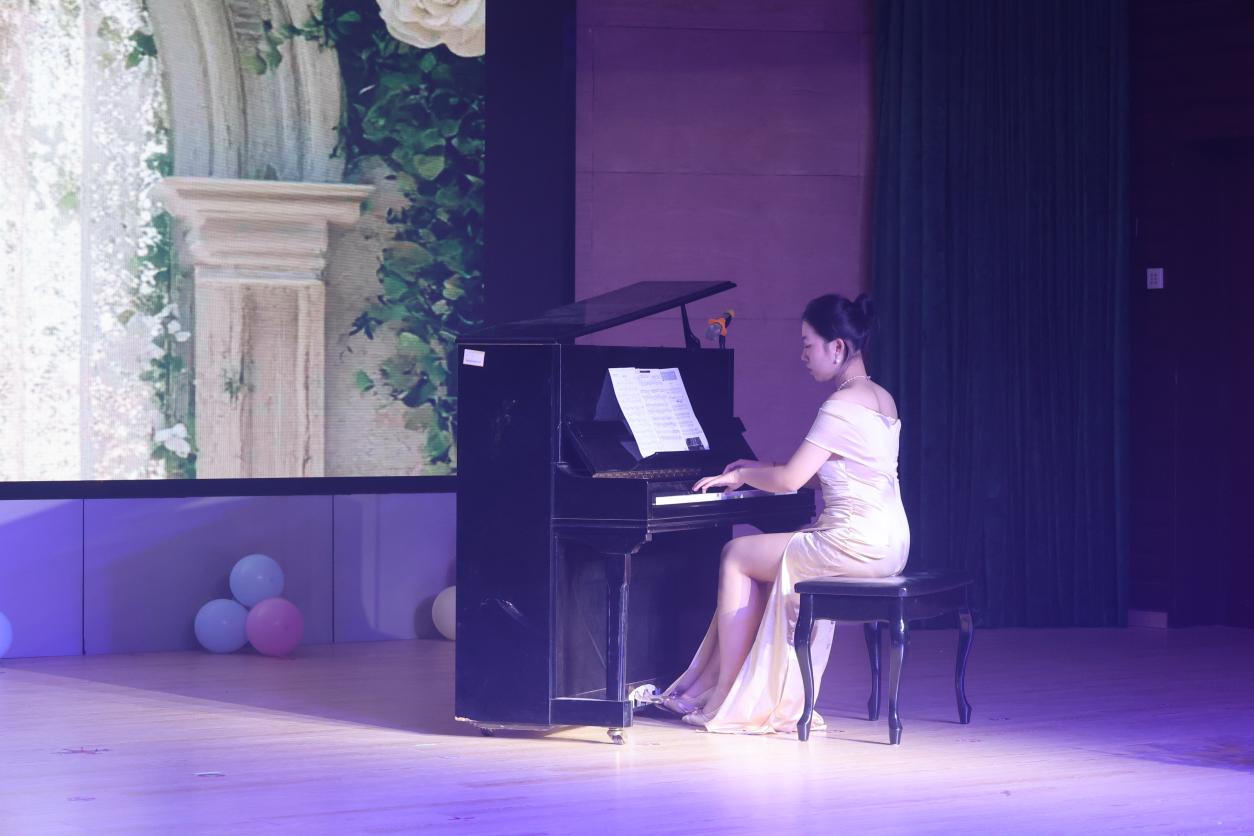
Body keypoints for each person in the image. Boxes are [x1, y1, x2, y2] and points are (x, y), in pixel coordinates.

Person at [657, 293, 910, 733]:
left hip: (854, 541)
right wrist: (759, 467)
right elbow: (829, 474)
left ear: (837, 347)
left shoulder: (841, 406)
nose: (803, 356)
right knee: (760, 561)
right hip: (892, 542)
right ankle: (734, 686)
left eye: (808, 345)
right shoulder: (881, 399)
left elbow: (792, 479)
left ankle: (727, 694)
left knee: (736, 554)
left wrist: (743, 477)